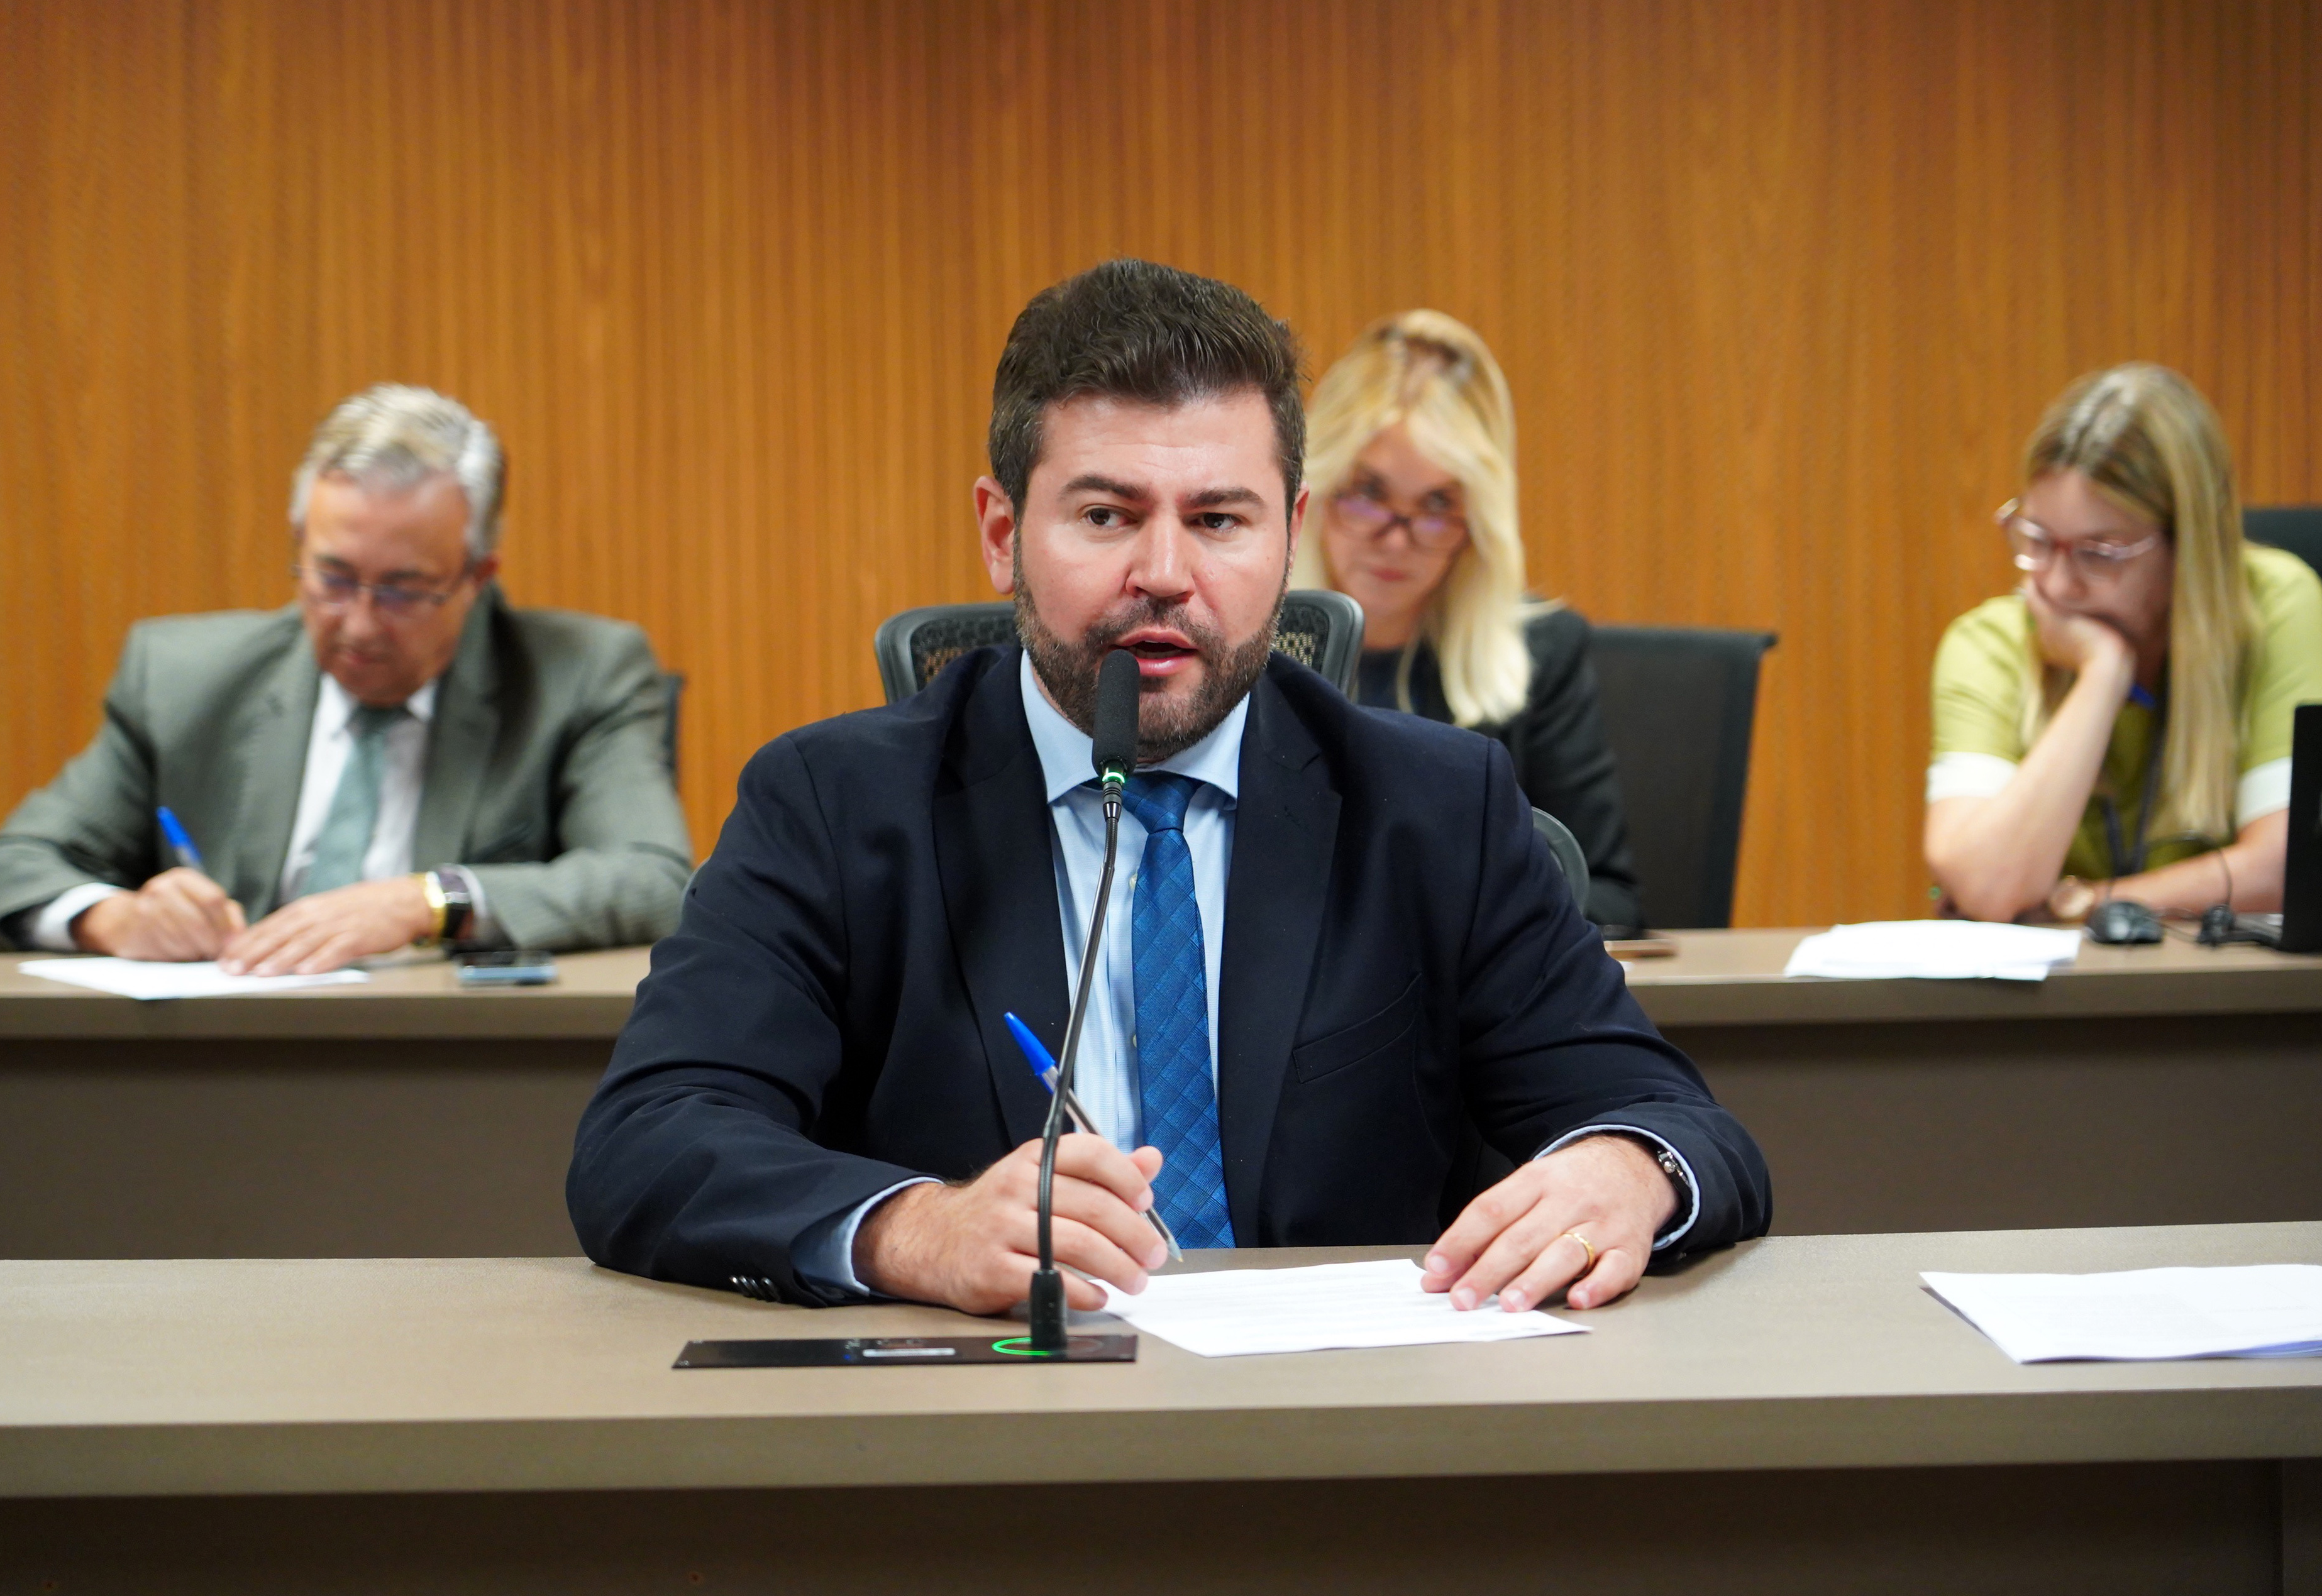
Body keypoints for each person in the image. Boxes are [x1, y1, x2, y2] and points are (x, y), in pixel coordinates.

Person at [568, 260, 1767, 1319]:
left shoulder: (1433, 807)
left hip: (1346, 1427)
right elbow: (647, 1140)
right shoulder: (832, 804)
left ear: (1288, 534)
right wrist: (913, 1227)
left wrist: (1626, 1168)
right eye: (1104, 514)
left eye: (1217, 519)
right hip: (987, 1422)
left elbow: (1680, 1125)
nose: (1162, 573)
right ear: (1000, 532)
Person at [0, 384, 693, 967]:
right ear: (299, 543)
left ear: (477, 577)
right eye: (333, 578)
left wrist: (428, 901)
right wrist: (114, 918)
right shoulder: (183, 679)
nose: (360, 625)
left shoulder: (577, 675)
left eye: (404, 589)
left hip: (454, 1071)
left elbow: (652, 879)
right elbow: (5, 867)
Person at [1927, 363, 2322, 923]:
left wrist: (2091, 901)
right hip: (2053, 983)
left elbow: (2285, 867)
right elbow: (1987, 888)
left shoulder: (2276, 606)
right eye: (2038, 539)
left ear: (2187, 546)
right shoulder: (1988, 643)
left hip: (2218, 977)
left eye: (2099, 553)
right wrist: (2103, 672)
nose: (2057, 584)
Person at [1295, 311, 1642, 932]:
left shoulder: (1541, 655)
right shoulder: (1249, 645)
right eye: (1368, 493)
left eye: (1436, 505)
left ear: (1477, 524)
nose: (1395, 539)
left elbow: (1607, 896)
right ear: (1314, 489)